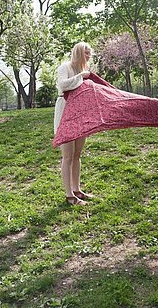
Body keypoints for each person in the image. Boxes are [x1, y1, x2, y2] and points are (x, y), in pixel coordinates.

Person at [54, 42, 95, 206]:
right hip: (65, 111)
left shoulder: (83, 71)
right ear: (78, 52)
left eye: (90, 53)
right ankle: (69, 195)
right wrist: (81, 77)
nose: (88, 56)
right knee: (68, 156)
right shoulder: (65, 67)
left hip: (80, 113)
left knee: (77, 155)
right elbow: (62, 85)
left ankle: (77, 189)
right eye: (86, 53)